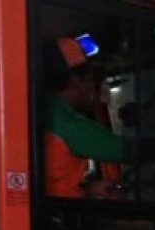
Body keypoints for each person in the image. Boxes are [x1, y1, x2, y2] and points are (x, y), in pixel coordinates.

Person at [43, 37, 125, 199]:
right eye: (92, 79)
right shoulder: (66, 123)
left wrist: (87, 188)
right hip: (59, 216)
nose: (93, 87)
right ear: (76, 81)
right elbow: (127, 150)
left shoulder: (38, 110)